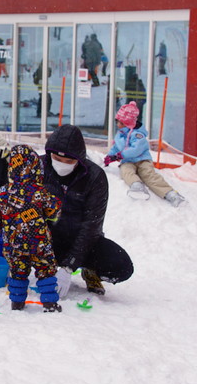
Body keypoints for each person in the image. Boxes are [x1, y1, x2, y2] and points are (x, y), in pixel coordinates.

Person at [41, 124, 134, 296]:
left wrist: (69, 266)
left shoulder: (94, 176)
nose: (62, 165)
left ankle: (90, 270)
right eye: (57, 159)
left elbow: (91, 226)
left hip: (81, 241)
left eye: (69, 161)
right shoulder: (37, 167)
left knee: (121, 266)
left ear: (79, 159)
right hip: (46, 239)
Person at [0, 145, 63, 312]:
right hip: (40, 243)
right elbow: (54, 208)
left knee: (17, 272)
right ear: (36, 168)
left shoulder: (1, 194)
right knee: (46, 270)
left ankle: (17, 303)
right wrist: (51, 216)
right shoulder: (39, 192)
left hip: (14, 245)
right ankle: (50, 303)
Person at [104, 101, 186, 207]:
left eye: (119, 122)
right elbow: (115, 147)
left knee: (149, 175)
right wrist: (109, 157)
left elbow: (136, 150)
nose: (117, 124)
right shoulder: (120, 135)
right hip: (128, 161)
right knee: (126, 171)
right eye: (117, 121)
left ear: (127, 123)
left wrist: (120, 155)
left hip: (143, 160)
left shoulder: (138, 135)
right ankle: (136, 185)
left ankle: (170, 194)